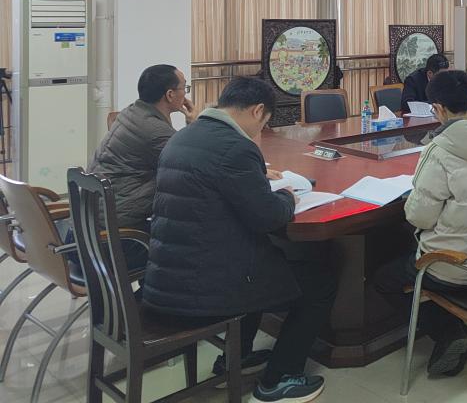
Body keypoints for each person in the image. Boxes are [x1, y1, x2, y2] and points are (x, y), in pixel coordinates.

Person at [144, 77, 336, 402]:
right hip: (204, 285)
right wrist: (287, 197)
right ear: (258, 110)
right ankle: (278, 380)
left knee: (265, 259)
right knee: (319, 283)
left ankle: (234, 359)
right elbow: (269, 217)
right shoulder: (236, 147)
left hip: (168, 274)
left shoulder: (185, 136)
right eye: (263, 122)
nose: (259, 130)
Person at [374, 70, 467, 378]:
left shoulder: (439, 150)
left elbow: (419, 217)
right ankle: (455, 325)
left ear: (436, 108)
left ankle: (448, 332)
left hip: (456, 266)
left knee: (383, 275)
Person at [88, 65, 196, 234]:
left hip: (95, 212)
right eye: (184, 88)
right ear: (170, 94)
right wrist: (194, 124)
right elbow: (192, 164)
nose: (186, 94)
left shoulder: (131, 112)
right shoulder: (154, 130)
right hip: (117, 227)